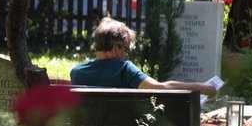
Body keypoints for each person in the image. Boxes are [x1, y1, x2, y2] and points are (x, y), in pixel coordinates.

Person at [70, 17, 217, 96]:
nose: (126, 55)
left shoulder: (76, 72)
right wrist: (201, 87)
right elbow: (160, 88)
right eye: (126, 50)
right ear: (115, 48)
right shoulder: (124, 69)